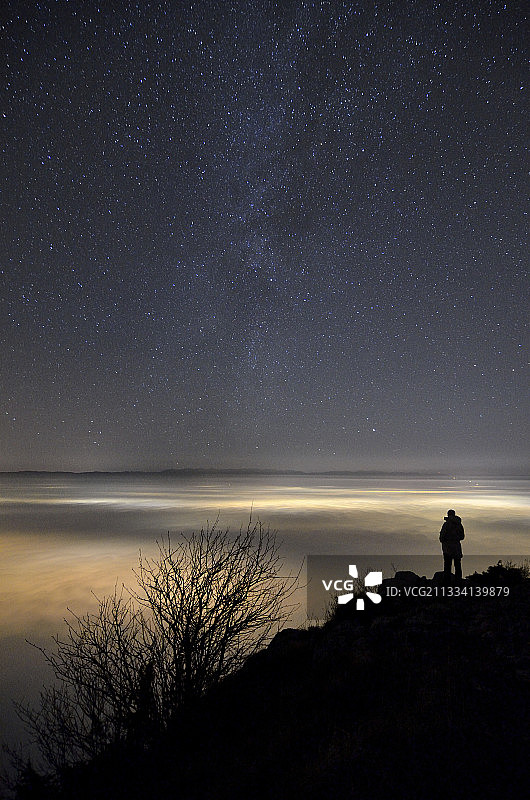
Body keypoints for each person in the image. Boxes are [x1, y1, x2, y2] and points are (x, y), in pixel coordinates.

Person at [439, 509, 464, 579]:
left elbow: (442, 537)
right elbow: (462, 537)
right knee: (458, 565)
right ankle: (458, 581)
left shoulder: (446, 524)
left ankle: (447, 582)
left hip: (447, 548)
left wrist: (445, 541)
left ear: (448, 515)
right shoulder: (459, 524)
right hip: (457, 548)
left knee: (447, 565)